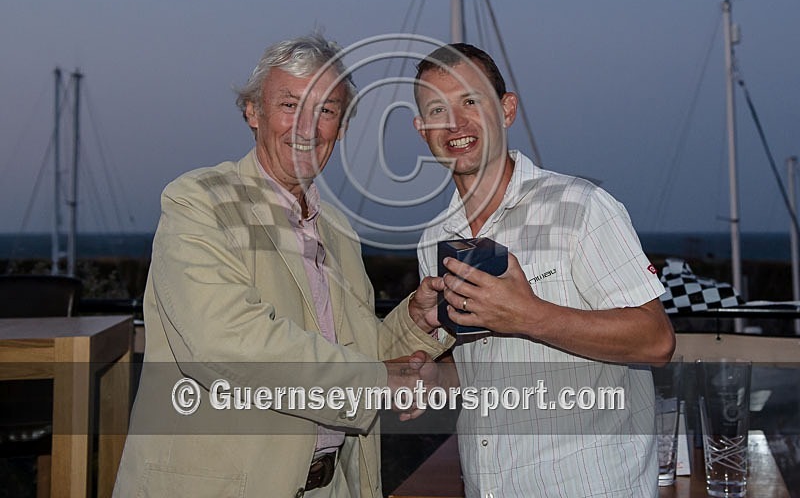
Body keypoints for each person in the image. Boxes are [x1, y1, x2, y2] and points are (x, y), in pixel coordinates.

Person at [113, 34, 448, 498]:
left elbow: (351, 350)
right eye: (291, 104)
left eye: (327, 110)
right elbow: (225, 343)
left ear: (343, 126)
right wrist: (378, 380)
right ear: (253, 112)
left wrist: (415, 323)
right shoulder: (199, 201)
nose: (308, 127)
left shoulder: (338, 230)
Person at [412, 43, 676, 497]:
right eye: (437, 109)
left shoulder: (582, 207)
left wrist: (530, 314)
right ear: (422, 129)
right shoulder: (434, 240)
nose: (454, 124)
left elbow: (655, 340)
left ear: (507, 109)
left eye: (471, 101)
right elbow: (484, 369)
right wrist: (438, 378)